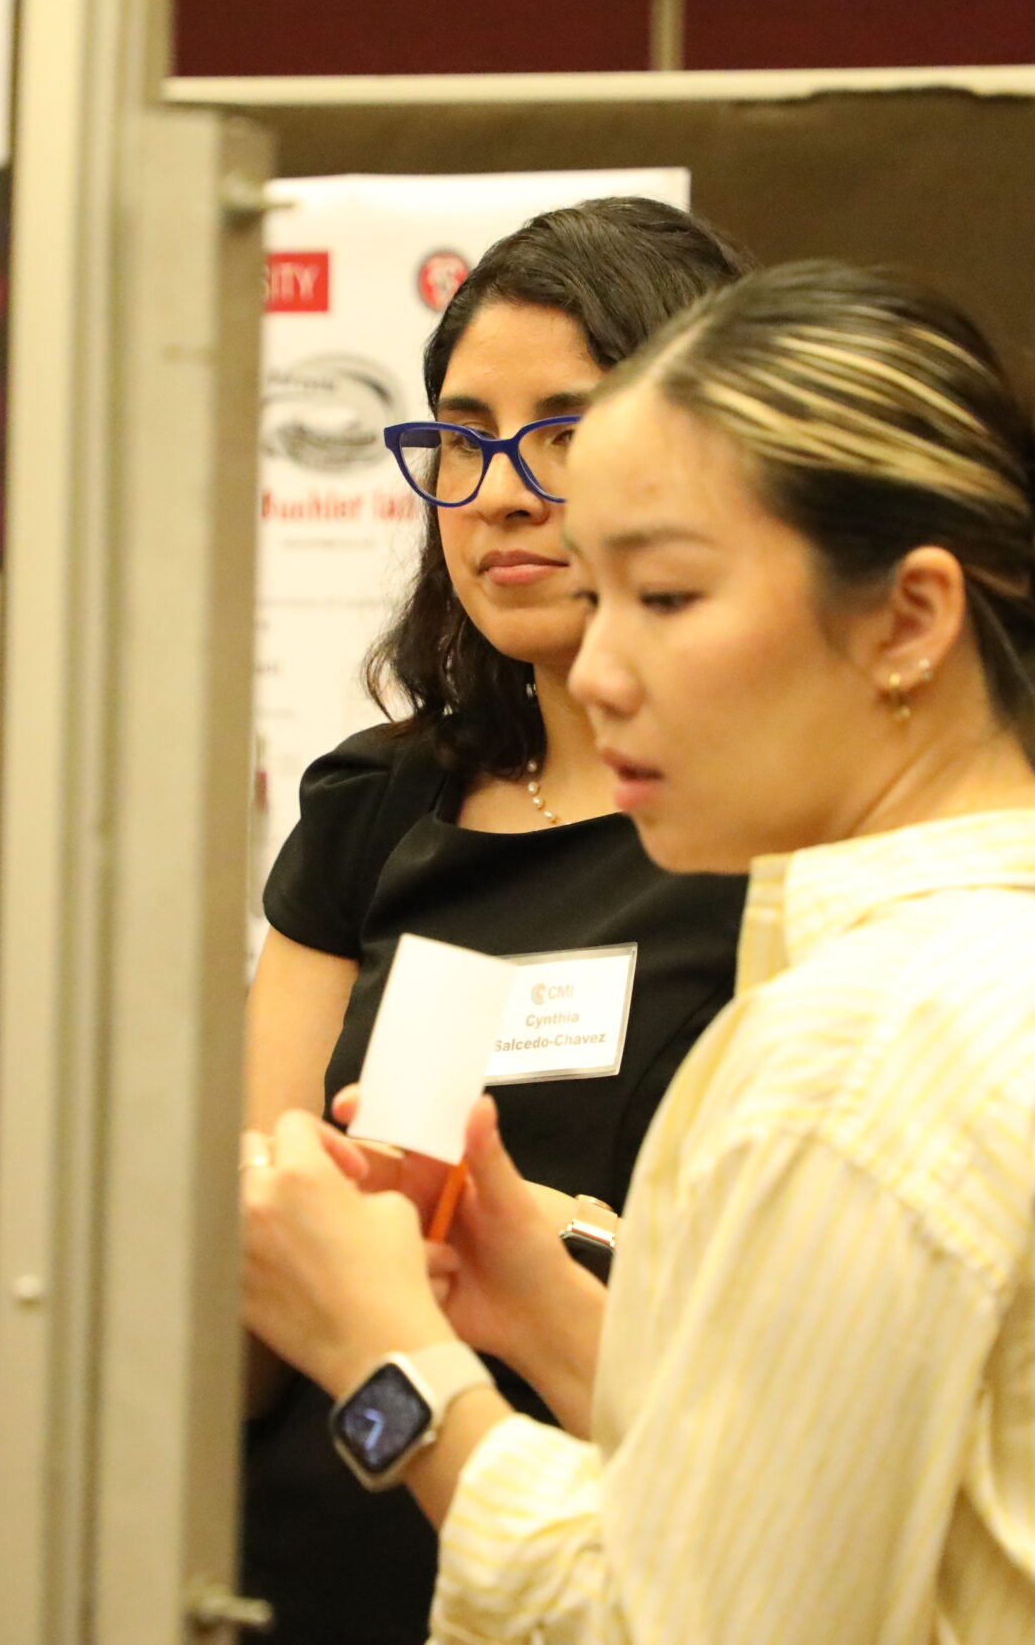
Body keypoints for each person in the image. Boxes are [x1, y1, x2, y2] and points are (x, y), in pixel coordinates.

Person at [241, 262, 1035, 1645]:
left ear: (908, 618)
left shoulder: (860, 1045)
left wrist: (388, 1361)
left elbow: (677, 1615)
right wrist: (546, 1298)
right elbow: (869, 1490)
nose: (604, 670)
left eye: (667, 597)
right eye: (599, 597)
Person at [240, 198, 753, 1645]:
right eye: (462, 437)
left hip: (624, 1568)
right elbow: (243, 1301)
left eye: (564, 432)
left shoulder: (777, 845)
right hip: (319, 1548)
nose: (501, 491)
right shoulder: (374, 804)